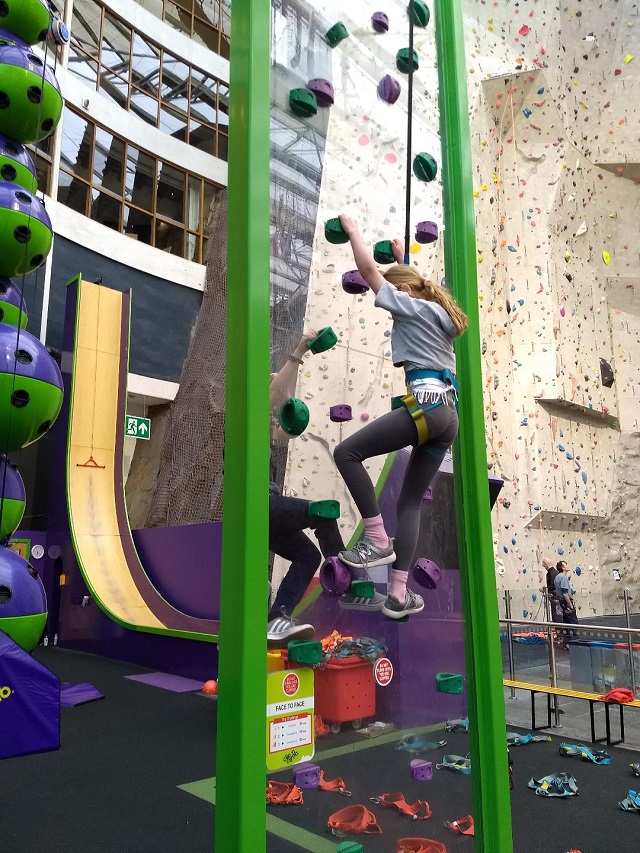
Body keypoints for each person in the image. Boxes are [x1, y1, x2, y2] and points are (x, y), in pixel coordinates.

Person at [333, 215, 468, 619]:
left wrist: (356, 232)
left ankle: (375, 536)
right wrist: (401, 256)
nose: (391, 306)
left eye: (395, 296)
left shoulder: (409, 306)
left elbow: (369, 273)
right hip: (448, 419)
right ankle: (398, 593)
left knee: (347, 453)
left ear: (404, 292)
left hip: (426, 404)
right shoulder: (438, 312)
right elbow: (417, 283)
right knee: (409, 505)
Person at [267, 331, 385, 647]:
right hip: (257, 504)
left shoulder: (266, 429)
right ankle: (350, 584)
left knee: (307, 555)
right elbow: (275, 395)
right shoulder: (246, 417)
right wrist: (299, 351)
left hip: (270, 514)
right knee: (324, 511)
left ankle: (278, 617)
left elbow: (286, 426)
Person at [554, 560, 578, 646]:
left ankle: (567, 643)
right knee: (573, 623)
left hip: (562, 602)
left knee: (566, 623)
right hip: (566, 602)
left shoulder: (557, 577)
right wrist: (570, 605)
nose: (567, 566)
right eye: (566, 565)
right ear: (563, 568)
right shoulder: (563, 577)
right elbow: (565, 593)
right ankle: (575, 643)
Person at [543, 556, 563, 623]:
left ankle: (559, 630)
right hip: (555, 597)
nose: (544, 567)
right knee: (556, 613)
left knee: (557, 614)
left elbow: (553, 585)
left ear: (546, 564)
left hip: (555, 597)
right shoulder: (553, 572)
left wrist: (546, 589)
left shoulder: (552, 573)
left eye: (544, 565)